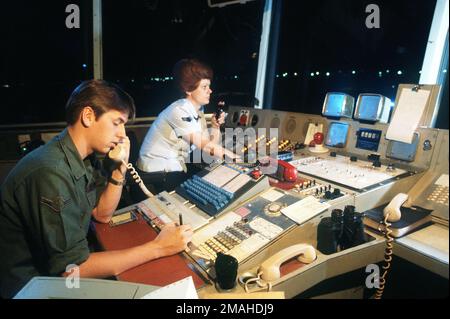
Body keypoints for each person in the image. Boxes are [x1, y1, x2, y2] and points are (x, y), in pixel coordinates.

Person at [0, 80, 193, 298]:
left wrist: (121, 166)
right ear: (88, 116)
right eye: (117, 122)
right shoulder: (50, 172)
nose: (123, 134)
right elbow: (72, 270)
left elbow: (102, 213)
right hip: (29, 288)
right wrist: (158, 248)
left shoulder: (83, 157)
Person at [136, 58, 238, 194]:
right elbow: (207, 147)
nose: (210, 91)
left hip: (173, 167)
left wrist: (215, 126)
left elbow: (209, 146)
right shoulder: (178, 110)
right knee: (204, 191)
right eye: (204, 87)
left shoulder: (197, 111)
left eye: (209, 86)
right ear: (188, 90)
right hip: (155, 174)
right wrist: (240, 161)